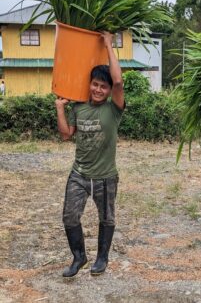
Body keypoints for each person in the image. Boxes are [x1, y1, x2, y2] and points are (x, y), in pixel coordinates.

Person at [55, 32, 125, 277]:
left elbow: (118, 82)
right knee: (69, 216)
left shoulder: (114, 109)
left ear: (108, 90)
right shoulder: (79, 105)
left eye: (102, 86)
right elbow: (66, 134)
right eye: (95, 84)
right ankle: (79, 257)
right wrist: (60, 109)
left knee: (106, 217)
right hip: (79, 174)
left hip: (105, 177)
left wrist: (107, 43)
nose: (97, 89)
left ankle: (102, 258)